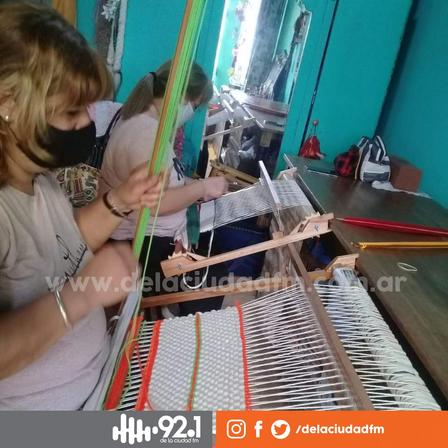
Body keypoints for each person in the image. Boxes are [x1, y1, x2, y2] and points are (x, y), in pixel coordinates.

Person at [0, 3, 162, 410]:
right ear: (8, 104)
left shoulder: (39, 177)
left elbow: (63, 244)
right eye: (72, 112)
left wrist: (119, 201)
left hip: (96, 386)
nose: (86, 124)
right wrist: (80, 298)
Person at [99, 62, 229, 315]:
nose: (192, 113)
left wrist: (195, 186)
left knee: (218, 251)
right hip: (142, 250)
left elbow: (167, 182)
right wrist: (202, 187)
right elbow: (156, 203)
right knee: (217, 275)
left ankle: (169, 315)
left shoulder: (150, 127)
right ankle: (170, 321)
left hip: (155, 241)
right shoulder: (144, 133)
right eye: (194, 106)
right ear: (181, 96)